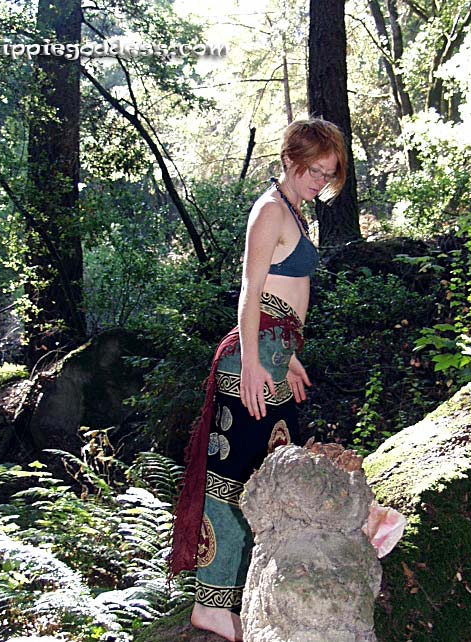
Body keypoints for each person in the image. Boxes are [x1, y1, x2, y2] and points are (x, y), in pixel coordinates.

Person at [169, 118, 348, 642]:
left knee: (270, 479)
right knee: (233, 482)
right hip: (250, 360)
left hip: (274, 353)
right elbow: (251, 290)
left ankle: (248, 595)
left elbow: (281, 290)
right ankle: (211, 607)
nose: (320, 181)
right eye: (313, 170)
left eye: (328, 174)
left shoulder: (293, 208)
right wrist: (252, 358)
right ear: (290, 159)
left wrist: (284, 357)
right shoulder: (270, 209)